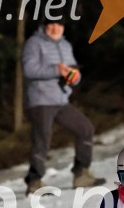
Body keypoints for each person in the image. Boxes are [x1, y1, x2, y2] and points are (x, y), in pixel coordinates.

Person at [22, 16, 105, 195]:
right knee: (42, 139)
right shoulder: (34, 43)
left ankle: (81, 174)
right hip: (41, 100)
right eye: (51, 25)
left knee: (85, 129)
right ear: (44, 27)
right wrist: (55, 70)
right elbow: (29, 69)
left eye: (58, 25)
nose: (55, 28)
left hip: (61, 100)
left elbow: (74, 69)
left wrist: (75, 77)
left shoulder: (65, 45)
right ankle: (34, 181)